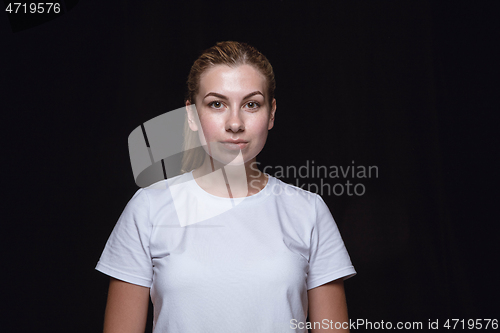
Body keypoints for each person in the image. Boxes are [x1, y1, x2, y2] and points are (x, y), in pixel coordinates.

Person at [96, 41, 356, 333]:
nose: (235, 123)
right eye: (216, 104)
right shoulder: (148, 207)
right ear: (192, 114)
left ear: (271, 114)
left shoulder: (309, 211)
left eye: (251, 104)